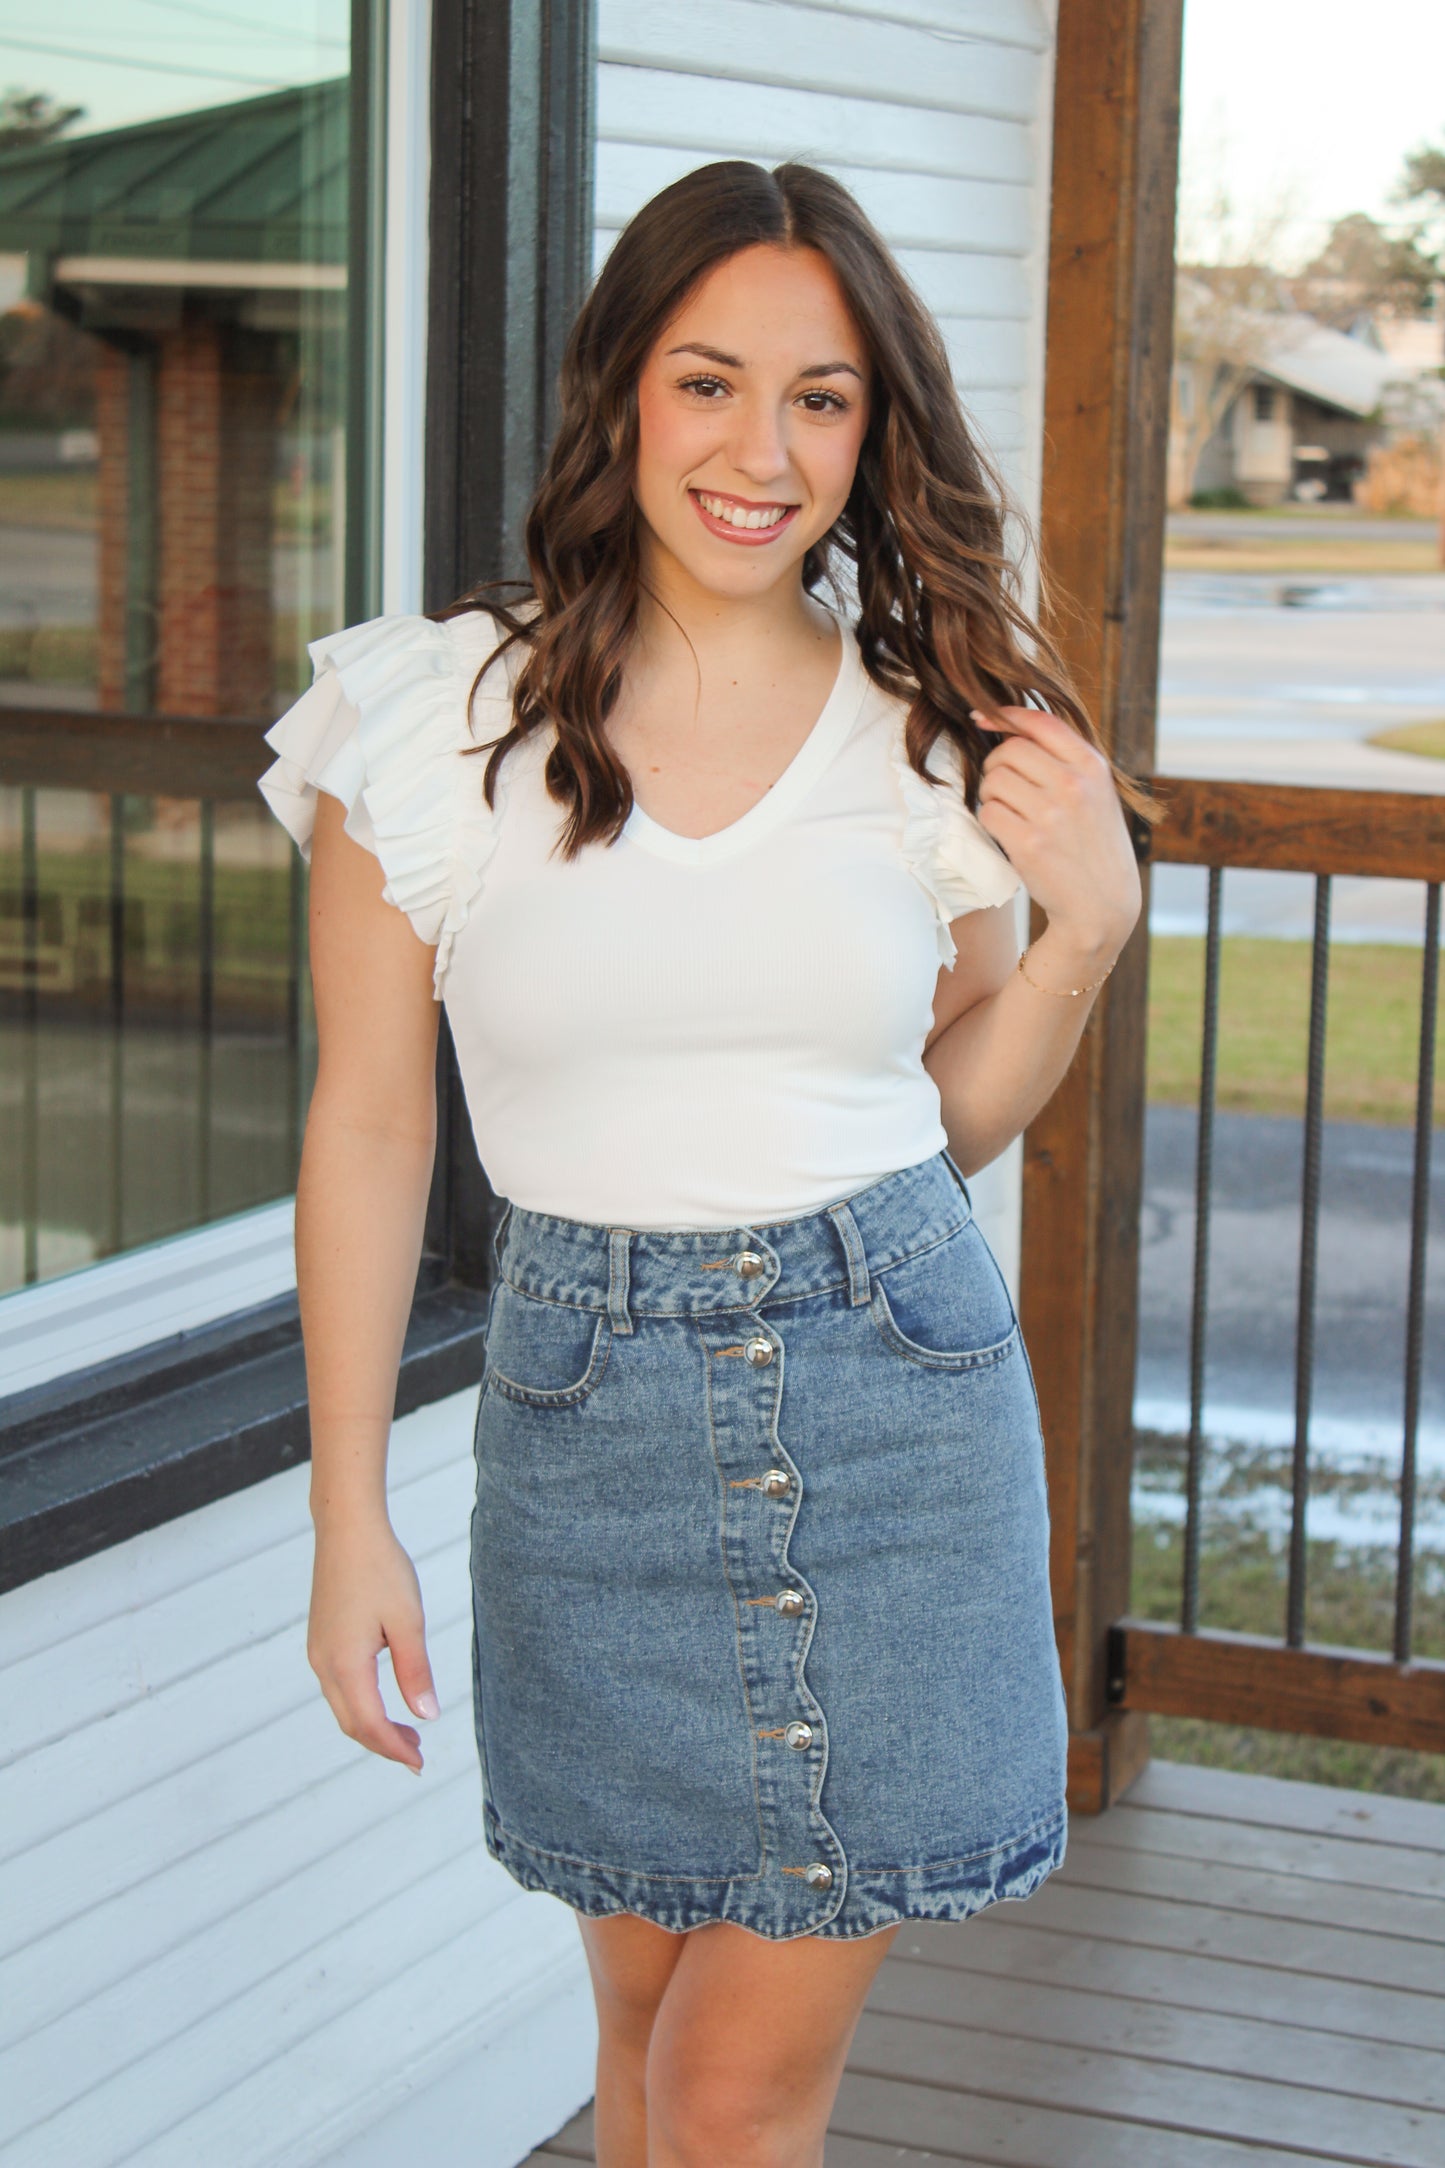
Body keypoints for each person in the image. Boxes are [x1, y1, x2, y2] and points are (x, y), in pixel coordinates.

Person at [258, 160, 1144, 2168]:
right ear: (621, 394)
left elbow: (954, 1109)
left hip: (890, 1407)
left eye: (820, 398)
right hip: (585, 1424)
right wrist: (345, 1517)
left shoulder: (935, 735)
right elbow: (374, 1125)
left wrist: (1083, 934)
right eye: (709, 382)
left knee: (735, 2087)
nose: (763, 451)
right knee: (645, 2037)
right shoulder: (428, 723)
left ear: (874, 425)